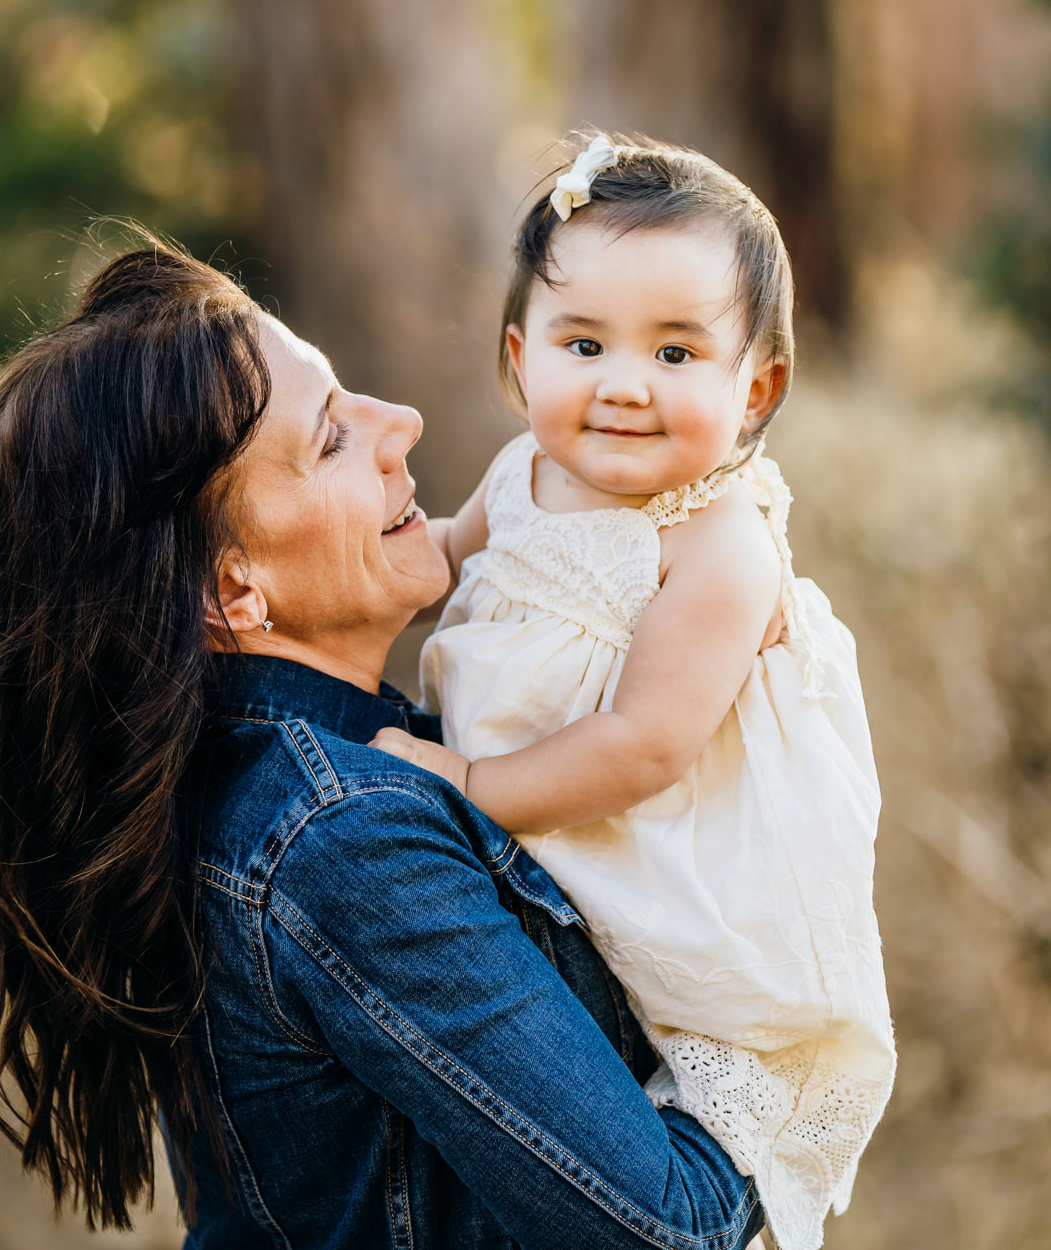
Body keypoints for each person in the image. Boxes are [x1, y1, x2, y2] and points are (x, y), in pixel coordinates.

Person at [0, 238, 765, 1248]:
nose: (400, 425)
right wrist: (781, 1082)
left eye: (350, 397)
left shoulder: (299, 766)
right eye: (329, 440)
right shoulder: (338, 839)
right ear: (233, 588)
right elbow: (659, 1232)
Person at [371, 134, 895, 1250]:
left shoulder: (715, 546)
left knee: (663, 1091)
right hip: (552, 854)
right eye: (583, 342)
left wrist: (465, 780)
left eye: (673, 352)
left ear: (752, 386)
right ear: (521, 360)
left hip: (668, 869)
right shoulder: (523, 473)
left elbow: (646, 743)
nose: (621, 385)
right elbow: (446, 563)